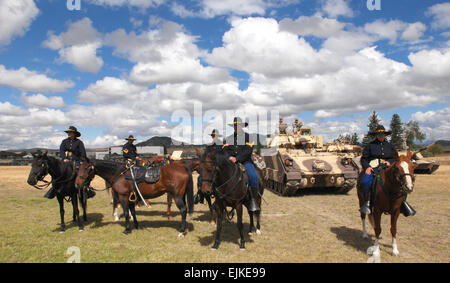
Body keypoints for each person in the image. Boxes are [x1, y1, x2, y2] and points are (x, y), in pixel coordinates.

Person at [360, 125, 415, 216]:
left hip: (388, 168)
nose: (381, 136)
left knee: (403, 180)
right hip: (374, 167)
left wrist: (389, 162)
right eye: (379, 134)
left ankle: (403, 203)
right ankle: (368, 202)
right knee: (366, 182)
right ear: (376, 135)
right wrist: (367, 167)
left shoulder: (390, 146)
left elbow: (395, 158)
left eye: (383, 134)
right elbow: (363, 159)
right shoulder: (370, 146)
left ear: (385, 135)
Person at [223, 117, 260, 212]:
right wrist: (229, 158)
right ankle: (219, 198)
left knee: (253, 177)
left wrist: (237, 158)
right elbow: (225, 151)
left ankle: (253, 201)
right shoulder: (228, 138)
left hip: (245, 162)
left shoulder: (248, 137)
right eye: (235, 125)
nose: (236, 127)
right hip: (231, 163)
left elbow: (248, 151)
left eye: (238, 125)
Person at [45, 126, 92, 199]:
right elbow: (61, 150)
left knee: (82, 174)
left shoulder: (79, 142)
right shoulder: (64, 141)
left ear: (74, 134)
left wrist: (82, 160)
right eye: (68, 132)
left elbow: (83, 152)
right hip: (65, 161)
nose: (69, 134)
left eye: (70, 132)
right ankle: (53, 189)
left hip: (76, 161)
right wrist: (64, 158)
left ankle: (86, 189)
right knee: (56, 173)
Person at [195, 129, 223, 204]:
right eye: (213, 136)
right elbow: (205, 156)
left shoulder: (222, 145)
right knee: (199, 178)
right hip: (210, 167)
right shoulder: (209, 146)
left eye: (215, 136)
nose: (214, 137)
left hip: (219, 166)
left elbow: (223, 156)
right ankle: (201, 195)